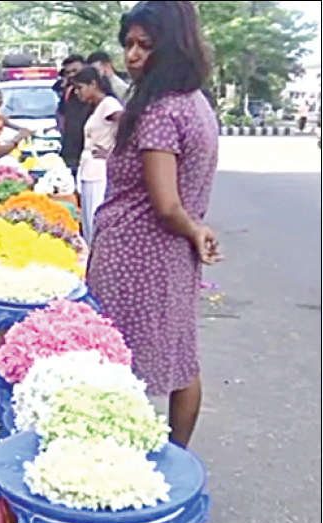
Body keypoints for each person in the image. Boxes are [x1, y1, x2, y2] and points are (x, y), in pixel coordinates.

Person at [86, 0, 221, 449]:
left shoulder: (162, 110)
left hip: (138, 259)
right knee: (181, 359)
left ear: (173, 48)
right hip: (169, 259)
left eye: (145, 46)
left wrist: (191, 227)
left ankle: (128, 459)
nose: (132, 56)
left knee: (122, 366)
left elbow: (166, 203)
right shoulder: (195, 102)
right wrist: (195, 230)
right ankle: (176, 461)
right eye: (128, 44)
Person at [72, 66, 124, 244]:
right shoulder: (95, 107)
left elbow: (127, 124)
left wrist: (113, 151)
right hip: (88, 168)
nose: (78, 93)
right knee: (87, 223)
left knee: (95, 220)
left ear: (93, 84)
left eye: (80, 88)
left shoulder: (109, 104)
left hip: (99, 170)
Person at [56, 55, 94, 180]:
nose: (72, 75)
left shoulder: (99, 97)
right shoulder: (69, 93)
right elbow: (61, 113)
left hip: (90, 157)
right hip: (70, 153)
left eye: (75, 71)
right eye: (68, 72)